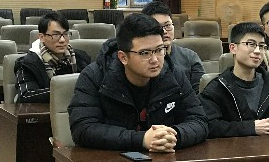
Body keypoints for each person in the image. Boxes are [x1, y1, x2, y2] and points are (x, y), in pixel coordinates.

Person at [68, 13, 208, 152]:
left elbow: (199, 120)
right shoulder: (95, 76)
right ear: (123, 57)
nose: (155, 60)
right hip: (112, 159)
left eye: (159, 50)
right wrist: (141, 140)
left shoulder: (173, 74)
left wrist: (172, 136)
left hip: (163, 158)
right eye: (144, 53)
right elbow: (83, 129)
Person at [199, 22, 269, 138]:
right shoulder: (217, 88)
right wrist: (251, 127)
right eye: (251, 44)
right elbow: (208, 126)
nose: (257, 51)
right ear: (233, 48)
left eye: (262, 46)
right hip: (233, 148)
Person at [15, 11, 91, 103]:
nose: (62, 40)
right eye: (56, 35)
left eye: (65, 34)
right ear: (42, 37)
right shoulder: (27, 64)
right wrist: (68, 91)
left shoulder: (81, 57)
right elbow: (26, 95)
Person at [141, 1, 205, 93]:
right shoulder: (140, 59)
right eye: (158, 27)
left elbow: (200, 93)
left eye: (167, 25)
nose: (164, 31)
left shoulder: (190, 57)